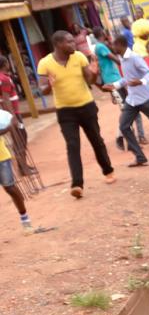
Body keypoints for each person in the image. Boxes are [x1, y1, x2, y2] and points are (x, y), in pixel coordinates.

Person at [37, 31, 115, 198]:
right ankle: (77, 184)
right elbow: (42, 89)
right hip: (65, 111)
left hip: (86, 106)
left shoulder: (79, 56)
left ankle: (108, 170)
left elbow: (89, 81)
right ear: (59, 44)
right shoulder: (45, 63)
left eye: (73, 41)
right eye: (70, 42)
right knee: (72, 146)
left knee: (96, 140)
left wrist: (94, 73)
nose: (74, 45)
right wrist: (49, 85)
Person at [108, 35, 149, 167]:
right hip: (132, 100)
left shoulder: (134, 57)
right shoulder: (121, 58)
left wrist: (140, 81)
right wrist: (114, 86)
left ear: (121, 45)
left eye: (114, 45)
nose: (112, 47)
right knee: (124, 126)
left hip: (146, 99)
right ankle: (140, 157)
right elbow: (127, 79)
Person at [93, 28, 147, 149]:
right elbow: (116, 59)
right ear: (103, 33)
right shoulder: (100, 47)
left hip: (115, 80)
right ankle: (126, 140)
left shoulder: (101, 46)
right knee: (128, 110)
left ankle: (126, 138)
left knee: (128, 108)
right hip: (113, 81)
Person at [0, 110, 33, 234]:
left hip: (1, 157)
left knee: (10, 188)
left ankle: (25, 219)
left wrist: (13, 123)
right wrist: (8, 128)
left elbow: (12, 118)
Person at [0, 56, 33, 175]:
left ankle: (23, 166)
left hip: (10, 113)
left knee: (19, 138)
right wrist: (12, 116)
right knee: (20, 138)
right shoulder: (4, 79)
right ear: (5, 64)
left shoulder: (2, 78)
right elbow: (6, 98)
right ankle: (23, 168)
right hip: (13, 114)